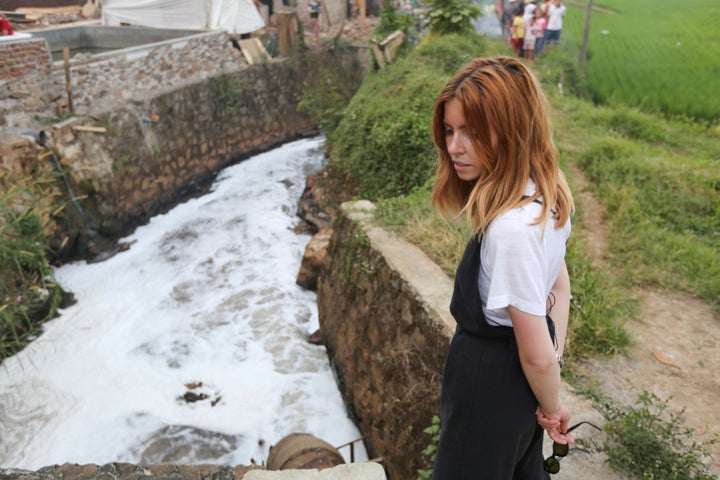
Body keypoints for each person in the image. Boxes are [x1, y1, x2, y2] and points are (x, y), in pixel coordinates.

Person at [429, 55, 575, 479]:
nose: (454, 146)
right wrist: (551, 369)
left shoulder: (510, 229)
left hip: (486, 388)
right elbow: (560, 287)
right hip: (518, 386)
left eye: (472, 132)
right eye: (451, 130)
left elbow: (537, 356)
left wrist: (554, 406)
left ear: (512, 130)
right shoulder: (545, 194)